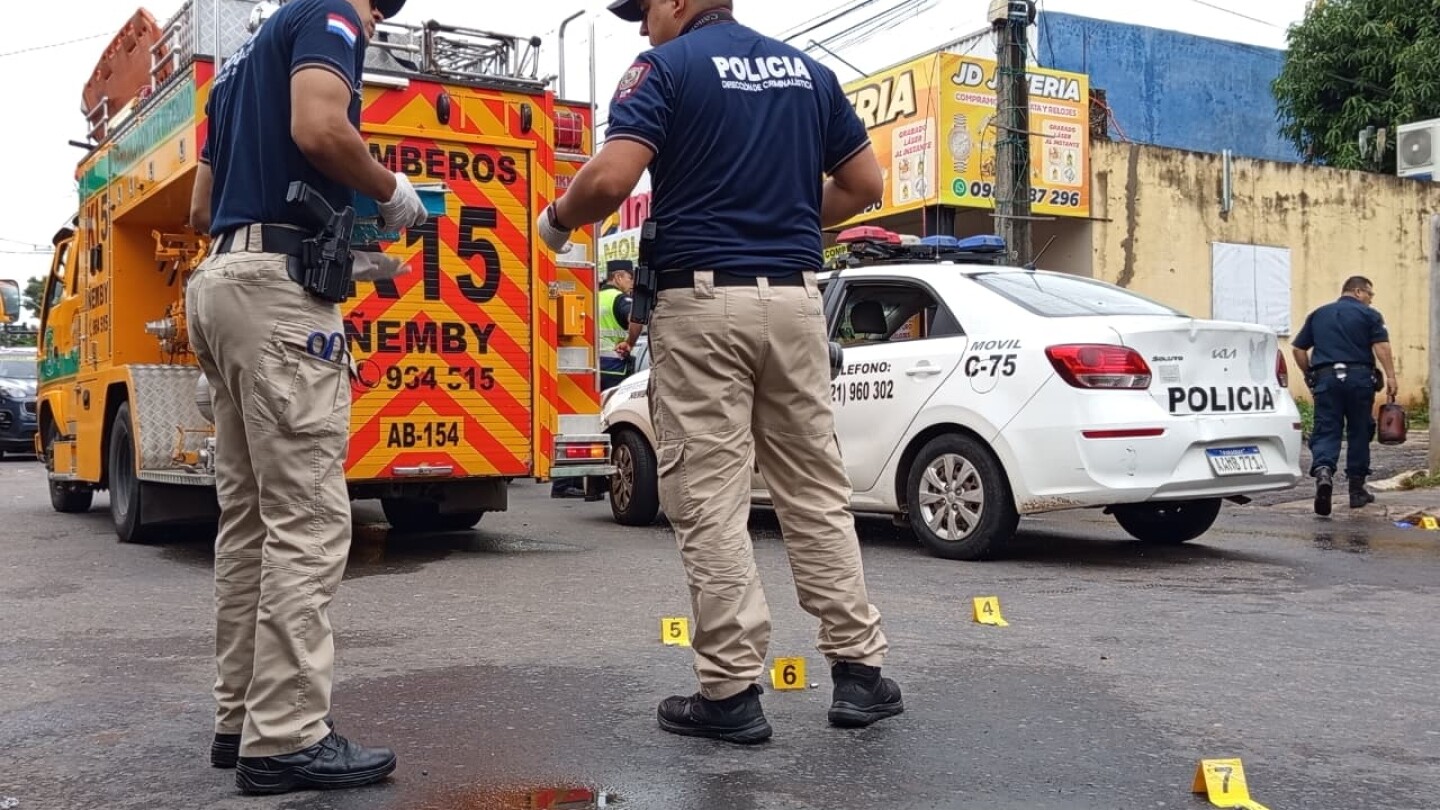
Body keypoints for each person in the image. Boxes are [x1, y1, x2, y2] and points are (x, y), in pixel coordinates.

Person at [535, 0, 900, 744]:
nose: (642, 28)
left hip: (702, 303)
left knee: (710, 498)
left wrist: (557, 219)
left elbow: (609, 180)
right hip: (797, 300)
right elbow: (865, 185)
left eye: (644, 12)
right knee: (815, 492)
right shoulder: (808, 73)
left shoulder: (662, 70)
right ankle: (861, 674)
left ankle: (731, 692)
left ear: (676, 3)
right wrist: (791, 213)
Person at [185, 0, 427, 794]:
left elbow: (201, 210)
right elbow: (321, 129)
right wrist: (393, 194)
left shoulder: (237, 67)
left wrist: (340, 258)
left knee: (249, 517)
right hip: (275, 297)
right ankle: (286, 737)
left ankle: (240, 719)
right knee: (311, 518)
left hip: (220, 281)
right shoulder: (331, 15)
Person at [1291, 276, 1398, 515]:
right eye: (1370, 294)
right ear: (1358, 291)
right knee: (1360, 429)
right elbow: (1382, 346)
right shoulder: (1370, 315)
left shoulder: (1318, 314)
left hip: (1327, 379)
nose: (1371, 300)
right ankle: (1357, 491)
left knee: (1327, 428)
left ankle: (1323, 474)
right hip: (1359, 379)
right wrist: (1391, 376)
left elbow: (1298, 349)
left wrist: (1310, 374)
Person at [551, 260, 636, 498]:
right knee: (607, 426)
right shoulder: (620, 299)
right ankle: (593, 485)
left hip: (587, 367)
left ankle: (570, 483)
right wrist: (629, 341)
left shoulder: (593, 296)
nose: (631, 283)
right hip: (614, 370)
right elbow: (635, 320)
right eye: (629, 278)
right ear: (618, 277)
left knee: (580, 424)